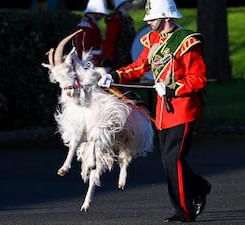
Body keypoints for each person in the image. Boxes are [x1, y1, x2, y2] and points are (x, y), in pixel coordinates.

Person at [98, 0, 211, 222]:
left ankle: (183, 210)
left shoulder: (186, 41)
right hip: (163, 113)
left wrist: (172, 88)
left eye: (152, 18)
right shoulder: (153, 40)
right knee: (170, 159)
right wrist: (116, 76)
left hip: (183, 110)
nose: (148, 22)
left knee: (172, 159)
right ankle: (199, 186)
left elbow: (198, 79)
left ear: (166, 18)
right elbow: (140, 66)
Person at [102, 0, 136, 70]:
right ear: (123, 4)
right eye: (129, 1)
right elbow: (109, 41)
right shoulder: (114, 19)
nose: (131, 3)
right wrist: (108, 60)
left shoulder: (128, 19)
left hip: (129, 56)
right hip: (118, 58)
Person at [73, 0, 108, 66]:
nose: (102, 16)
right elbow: (81, 49)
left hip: (94, 61)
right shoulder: (84, 27)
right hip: (88, 63)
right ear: (96, 11)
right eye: (101, 13)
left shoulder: (92, 24)